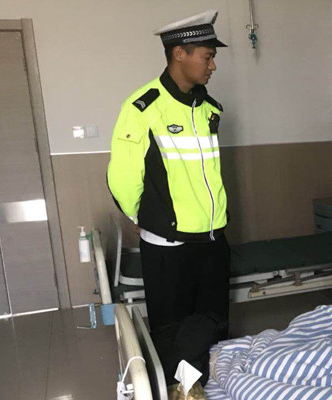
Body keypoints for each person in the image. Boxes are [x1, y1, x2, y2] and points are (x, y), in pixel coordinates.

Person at [107, 10, 229, 399]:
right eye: (207, 56)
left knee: (211, 320)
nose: (212, 65)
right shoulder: (143, 107)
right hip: (169, 243)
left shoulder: (208, 109)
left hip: (212, 236)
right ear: (180, 53)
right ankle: (177, 390)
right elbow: (122, 178)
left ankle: (197, 388)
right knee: (172, 326)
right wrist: (146, 218)